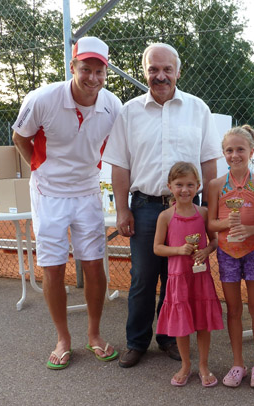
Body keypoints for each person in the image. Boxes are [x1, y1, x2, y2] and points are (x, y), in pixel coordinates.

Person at [102, 43, 222, 368]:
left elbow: (209, 162)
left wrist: (209, 209)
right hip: (144, 207)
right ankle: (136, 341)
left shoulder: (198, 109)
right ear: (145, 72)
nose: (160, 76)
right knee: (142, 277)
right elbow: (120, 165)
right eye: (153, 69)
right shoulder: (129, 112)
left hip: (188, 210)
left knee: (177, 277)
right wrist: (123, 209)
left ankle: (170, 337)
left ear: (178, 72)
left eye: (167, 69)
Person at [12, 36, 122, 370]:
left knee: (94, 264)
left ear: (106, 73)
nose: (92, 78)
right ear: (72, 66)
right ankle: (62, 339)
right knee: (54, 267)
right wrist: (41, 169)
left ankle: (94, 335)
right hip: (48, 194)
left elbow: (117, 147)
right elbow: (20, 136)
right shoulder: (42, 98)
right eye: (85, 69)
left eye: (99, 71)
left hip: (87, 191)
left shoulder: (113, 105)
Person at [207, 125, 254, 388]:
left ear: (251, 151)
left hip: (253, 250)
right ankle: (237, 363)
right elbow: (211, 223)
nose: (235, 155)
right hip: (227, 253)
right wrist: (227, 224)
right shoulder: (215, 185)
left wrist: (250, 229)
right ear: (223, 153)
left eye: (240, 150)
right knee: (233, 309)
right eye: (229, 150)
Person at [154, 163, 224, 386]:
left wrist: (206, 250)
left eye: (190, 185)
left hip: (200, 277)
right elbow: (157, 248)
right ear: (170, 187)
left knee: (202, 322)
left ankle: (203, 365)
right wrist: (178, 250)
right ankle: (185, 365)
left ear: (198, 186)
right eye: (179, 185)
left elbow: (214, 241)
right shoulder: (165, 216)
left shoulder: (203, 213)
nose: (185, 190)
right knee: (181, 324)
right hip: (178, 278)